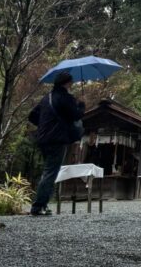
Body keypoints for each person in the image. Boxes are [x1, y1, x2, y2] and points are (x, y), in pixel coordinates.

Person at [28, 71, 85, 216]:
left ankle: (44, 204)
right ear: (67, 83)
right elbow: (76, 115)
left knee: (48, 170)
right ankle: (38, 206)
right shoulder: (66, 98)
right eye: (71, 82)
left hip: (42, 138)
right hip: (57, 139)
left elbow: (32, 115)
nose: (72, 85)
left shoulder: (46, 98)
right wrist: (82, 104)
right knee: (50, 172)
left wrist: (43, 125)